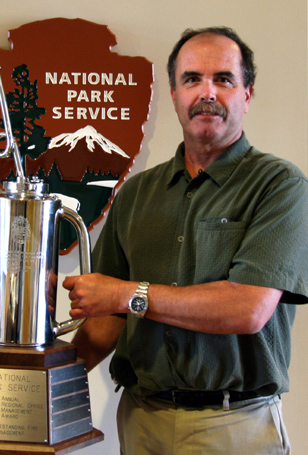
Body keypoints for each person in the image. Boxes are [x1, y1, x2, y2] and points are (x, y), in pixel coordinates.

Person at [64, 26, 308, 454]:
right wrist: (37, 389)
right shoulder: (137, 193)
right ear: (174, 95)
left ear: (247, 94)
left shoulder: (280, 186)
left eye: (224, 79)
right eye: (192, 79)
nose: (206, 92)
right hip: (142, 421)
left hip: (236, 426)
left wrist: (126, 294)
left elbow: (247, 308)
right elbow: (106, 320)